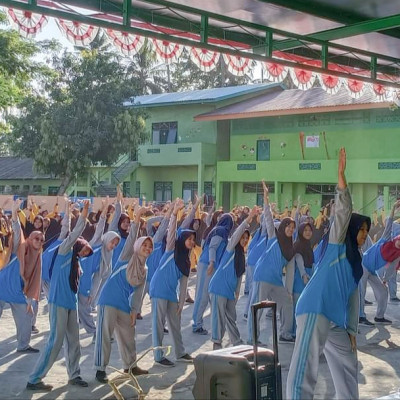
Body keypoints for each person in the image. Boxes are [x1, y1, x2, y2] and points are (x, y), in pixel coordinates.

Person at [287, 148, 371, 400]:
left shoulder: (357, 260)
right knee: (305, 370)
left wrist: (352, 331)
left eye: (367, 231)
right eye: (361, 230)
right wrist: (341, 179)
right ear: (351, 230)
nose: (364, 235)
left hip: (334, 319)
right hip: (316, 308)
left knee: (348, 360)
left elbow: (353, 298)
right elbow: (343, 213)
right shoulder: (336, 246)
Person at [27, 200, 93, 391]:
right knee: (55, 342)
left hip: (71, 304)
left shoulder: (75, 261)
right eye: (84, 248)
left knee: (74, 342)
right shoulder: (64, 250)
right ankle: (34, 378)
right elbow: (73, 233)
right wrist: (84, 213)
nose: (85, 252)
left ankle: (75, 374)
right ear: (76, 246)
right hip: (58, 303)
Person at [94, 206, 150, 383]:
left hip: (123, 304)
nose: (147, 248)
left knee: (128, 334)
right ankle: (100, 370)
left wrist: (135, 310)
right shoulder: (127, 257)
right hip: (108, 300)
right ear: (137, 247)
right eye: (144, 245)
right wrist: (138, 216)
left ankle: (130, 366)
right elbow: (132, 236)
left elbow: (139, 293)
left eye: (150, 246)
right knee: (105, 336)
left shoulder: (144, 269)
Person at [248, 180, 296, 344]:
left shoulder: (290, 248)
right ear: (283, 227)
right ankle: (252, 339)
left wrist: (288, 289)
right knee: (258, 309)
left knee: (287, 303)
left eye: (292, 228)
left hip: (276, 281)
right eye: (288, 226)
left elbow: (290, 271)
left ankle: (286, 334)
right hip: (262, 276)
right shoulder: (273, 236)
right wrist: (266, 197)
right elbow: (268, 218)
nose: (290, 229)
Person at [150, 199, 194, 367]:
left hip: (170, 293)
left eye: (192, 240)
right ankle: (158, 356)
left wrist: (181, 303)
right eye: (188, 239)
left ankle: (180, 353)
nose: (190, 242)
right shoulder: (171, 249)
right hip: (158, 289)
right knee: (158, 325)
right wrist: (175, 213)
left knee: (175, 324)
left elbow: (184, 285)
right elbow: (171, 232)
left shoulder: (187, 261)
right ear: (182, 239)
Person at [209, 206, 258, 350]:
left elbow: (239, 275)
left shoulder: (242, 257)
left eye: (246, 238)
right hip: (218, 288)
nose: (243, 240)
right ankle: (216, 343)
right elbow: (236, 234)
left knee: (231, 317)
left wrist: (237, 292)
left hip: (229, 291)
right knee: (218, 318)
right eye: (242, 238)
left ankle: (236, 342)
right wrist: (249, 219)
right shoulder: (230, 249)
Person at [0, 199, 44, 353]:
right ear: (30, 239)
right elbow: (17, 231)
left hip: (16, 291)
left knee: (27, 315)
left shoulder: (37, 257)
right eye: (36, 238)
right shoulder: (20, 246)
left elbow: (34, 281)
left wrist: (31, 299)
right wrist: (14, 212)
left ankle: (23, 345)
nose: (38, 241)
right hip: (2, 285)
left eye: (41, 239)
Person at [192, 212, 234, 335]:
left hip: (207, 264)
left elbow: (206, 244)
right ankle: (197, 324)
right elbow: (212, 248)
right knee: (203, 295)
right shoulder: (221, 231)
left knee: (207, 295)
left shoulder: (216, 230)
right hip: (208, 265)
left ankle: (211, 324)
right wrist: (211, 262)